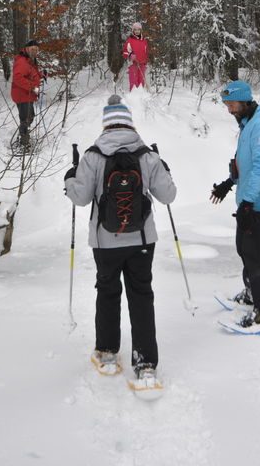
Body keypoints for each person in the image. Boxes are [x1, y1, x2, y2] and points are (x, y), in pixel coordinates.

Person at [64, 95, 177, 385]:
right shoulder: (148, 156)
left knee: (108, 293)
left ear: (106, 125)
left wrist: (69, 179)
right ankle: (146, 363)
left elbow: (80, 198)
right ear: (129, 123)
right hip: (142, 240)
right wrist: (165, 170)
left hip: (105, 241)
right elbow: (168, 196)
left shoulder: (92, 156)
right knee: (141, 295)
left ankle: (107, 352)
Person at [210, 80, 260, 328]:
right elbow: (245, 162)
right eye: (227, 105)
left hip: (257, 201)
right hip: (247, 198)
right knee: (243, 247)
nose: (229, 109)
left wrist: (249, 202)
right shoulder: (247, 123)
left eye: (232, 104)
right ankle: (252, 294)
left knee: (255, 253)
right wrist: (229, 183)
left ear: (244, 100)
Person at [11, 39, 42, 150]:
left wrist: (41, 75)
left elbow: (30, 74)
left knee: (29, 117)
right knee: (26, 119)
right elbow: (18, 78)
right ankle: (24, 145)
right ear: (27, 49)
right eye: (33, 49)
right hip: (22, 95)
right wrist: (33, 87)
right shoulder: (22, 61)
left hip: (27, 94)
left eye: (37, 49)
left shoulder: (28, 60)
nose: (35, 51)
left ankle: (23, 138)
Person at [121, 22, 148, 91]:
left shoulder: (144, 41)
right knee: (133, 81)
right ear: (133, 31)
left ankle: (141, 96)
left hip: (142, 64)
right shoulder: (130, 40)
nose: (137, 31)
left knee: (141, 81)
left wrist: (146, 61)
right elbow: (124, 51)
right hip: (133, 64)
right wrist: (130, 55)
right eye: (135, 30)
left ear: (140, 30)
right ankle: (133, 96)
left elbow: (146, 52)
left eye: (138, 30)